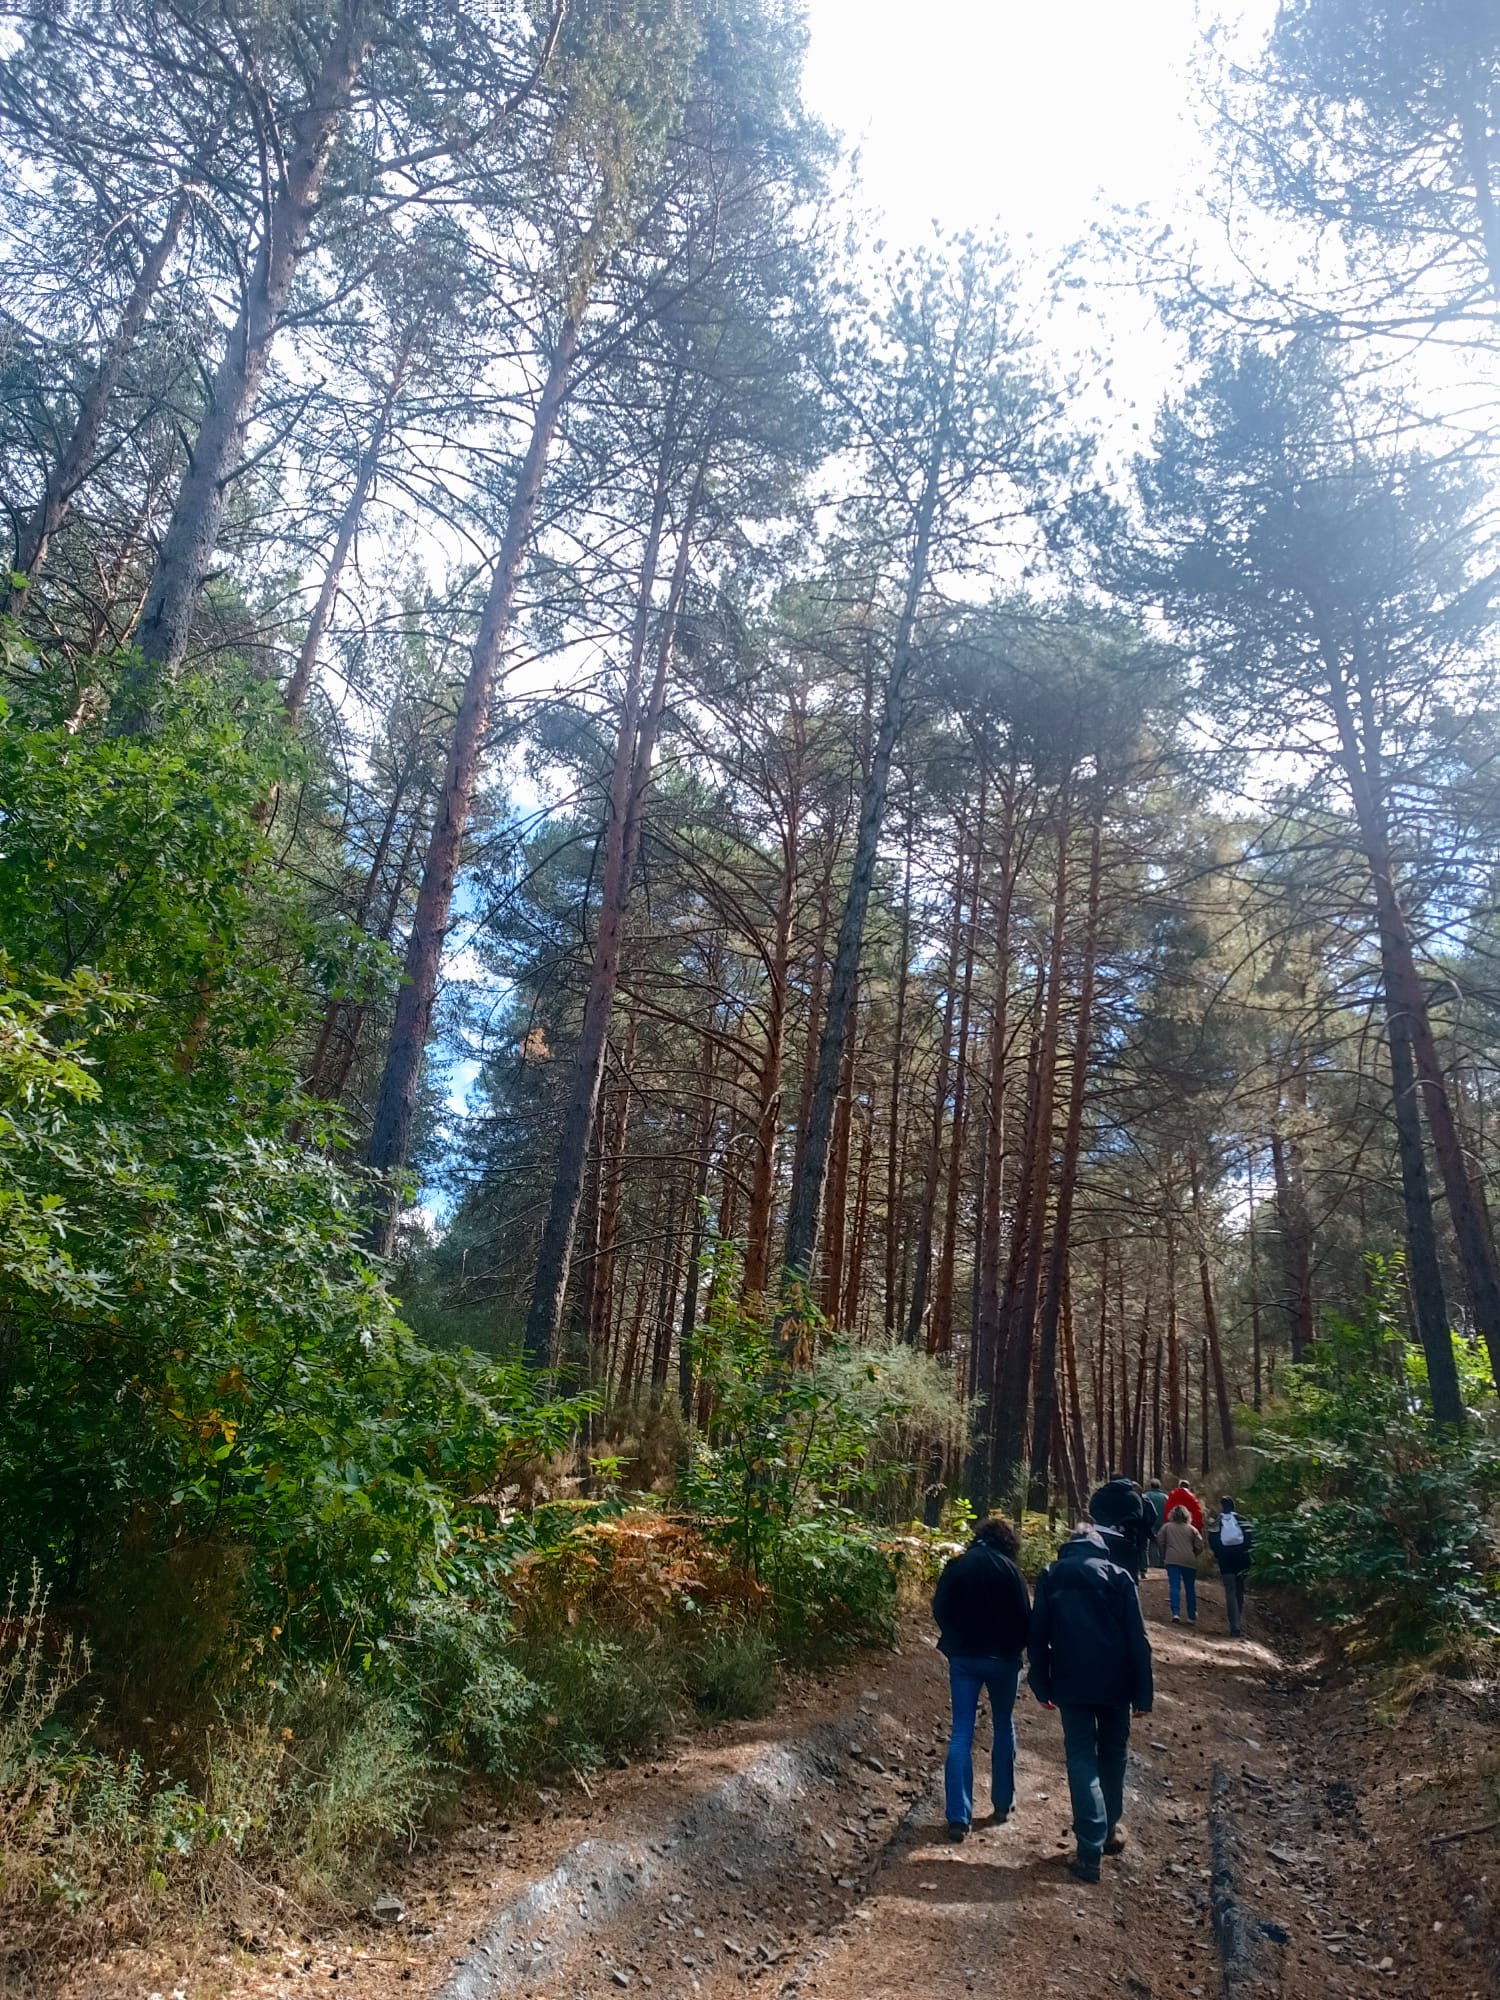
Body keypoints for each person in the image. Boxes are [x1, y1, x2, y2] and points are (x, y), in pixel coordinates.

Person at [1027, 1525, 1154, 1884]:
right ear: (1099, 1547)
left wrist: (1040, 1683)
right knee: (1113, 1754)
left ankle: (1089, 1849)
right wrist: (1143, 1693)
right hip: (1118, 1683)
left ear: (1069, 1546)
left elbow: (1037, 1634)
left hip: (1071, 1682)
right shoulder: (1119, 1576)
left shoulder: (1052, 1574)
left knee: (1081, 1757)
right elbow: (1138, 1639)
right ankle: (1109, 1828)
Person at [932, 1514, 1032, 1840]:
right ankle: (1002, 1803)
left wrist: (954, 1639)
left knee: (961, 1731)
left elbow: (940, 1608)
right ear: (1008, 1543)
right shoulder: (1011, 1571)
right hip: (1003, 1660)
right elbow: (1025, 1618)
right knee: (1004, 1724)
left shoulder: (957, 1565)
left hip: (963, 1658)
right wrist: (1015, 1648)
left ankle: (958, 1816)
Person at [1208, 1494, 1254, 1637]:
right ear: (1234, 1506)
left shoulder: (1217, 1522)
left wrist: (1218, 1554)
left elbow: (1212, 1540)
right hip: (1242, 1559)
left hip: (1225, 1560)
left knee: (1230, 1591)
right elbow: (1251, 1538)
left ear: (1222, 1506)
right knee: (1240, 1589)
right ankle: (1238, 1620)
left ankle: (1234, 1625)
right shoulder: (1242, 1520)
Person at [1088, 1471, 1149, 1578]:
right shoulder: (1133, 1496)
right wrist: (1121, 1524)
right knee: (1128, 1573)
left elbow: (1093, 1510)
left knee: (1105, 1570)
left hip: (1103, 1537)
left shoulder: (1099, 1495)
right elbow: (1137, 1515)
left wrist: (1107, 1524)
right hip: (1128, 1538)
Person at [1159, 1503, 1203, 1623]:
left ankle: (1176, 1613)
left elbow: (1160, 1541)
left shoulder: (1167, 1527)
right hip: (1189, 1560)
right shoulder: (1192, 1529)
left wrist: (1164, 1554)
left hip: (1172, 1559)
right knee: (1190, 1588)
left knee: (1174, 1586)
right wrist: (1194, 1554)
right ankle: (1191, 1615)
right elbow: (1200, 1544)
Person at [1142, 1477, 1167, 1569]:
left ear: (1151, 1486)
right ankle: (1162, 1561)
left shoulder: (1146, 1495)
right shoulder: (1165, 1497)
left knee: (1152, 1540)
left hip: (1150, 1521)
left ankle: (1153, 1562)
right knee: (1162, 1541)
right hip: (1163, 1521)